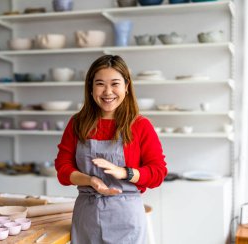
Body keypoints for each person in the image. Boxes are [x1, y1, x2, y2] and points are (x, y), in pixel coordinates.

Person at [55, 55, 167, 244]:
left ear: (126, 86)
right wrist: (89, 180)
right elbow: (63, 168)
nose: (108, 92)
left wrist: (125, 172)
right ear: (91, 87)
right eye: (100, 84)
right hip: (87, 216)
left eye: (115, 83)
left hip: (126, 218)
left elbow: (158, 172)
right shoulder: (77, 123)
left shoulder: (140, 125)